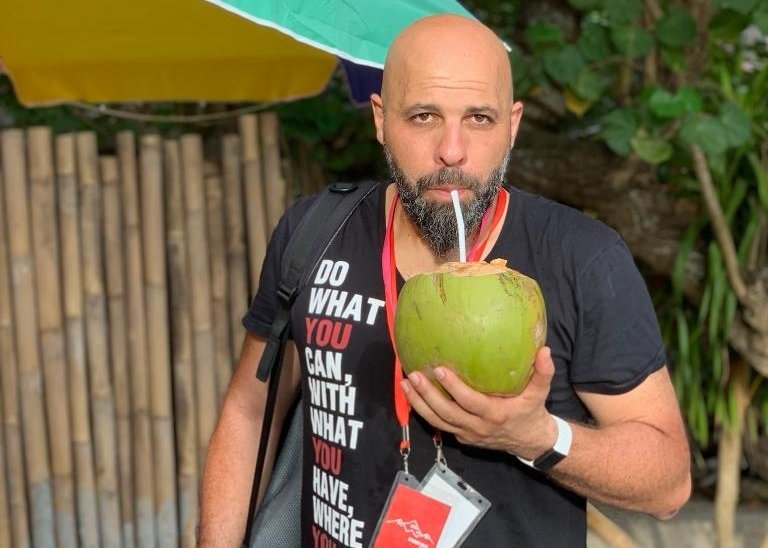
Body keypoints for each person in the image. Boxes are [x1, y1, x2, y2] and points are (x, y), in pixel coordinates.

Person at [199, 13, 691, 547]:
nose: (451, 151)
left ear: (512, 125)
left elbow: (668, 484)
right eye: (424, 116)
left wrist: (536, 436)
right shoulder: (315, 233)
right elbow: (250, 411)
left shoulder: (582, 259)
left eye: (479, 118)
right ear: (381, 120)